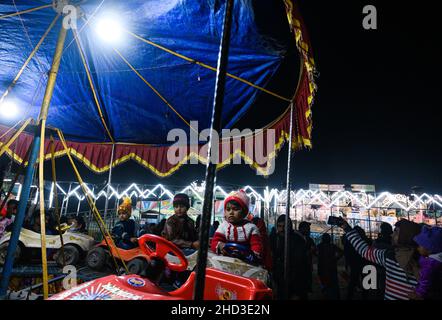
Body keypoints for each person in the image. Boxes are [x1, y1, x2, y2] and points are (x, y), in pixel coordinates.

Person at [339, 218, 422, 300]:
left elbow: (364, 250)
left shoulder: (390, 257)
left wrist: (347, 229)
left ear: (405, 236)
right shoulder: (424, 261)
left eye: (396, 232)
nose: (392, 235)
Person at [211, 190, 263, 261]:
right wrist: (220, 245)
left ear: (244, 212)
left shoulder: (251, 228)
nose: (231, 212)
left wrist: (253, 255)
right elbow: (215, 241)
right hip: (226, 260)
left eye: (235, 209)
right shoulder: (223, 226)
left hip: (246, 261)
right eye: (228, 209)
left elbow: (256, 245)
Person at [269, 214, 310, 300]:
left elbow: (301, 264)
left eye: (285, 226)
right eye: (280, 226)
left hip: (296, 277)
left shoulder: (297, 240)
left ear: (289, 226)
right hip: (279, 276)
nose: (282, 229)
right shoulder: (274, 238)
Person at [409, 226, 442, 300]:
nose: (417, 248)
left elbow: (424, 281)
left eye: (420, 246)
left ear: (429, 249)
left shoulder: (430, 265)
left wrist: (418, 293)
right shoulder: (436, 259)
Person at [317, 233, 343, 300]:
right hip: (331, 267)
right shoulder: (332, 246)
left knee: (324, 282)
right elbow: (341, 252)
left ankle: (326, 293)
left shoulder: (320, 246)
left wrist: (318, 257)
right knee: (333, 284)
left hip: (322, 267)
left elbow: (313, 251)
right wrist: (336, 259)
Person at [372, 222, 394, 298]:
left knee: (379, 287)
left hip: (379, 266)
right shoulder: (393, 242)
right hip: (389, 268)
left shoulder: (378, 241)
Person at [298, 221, 316, 293]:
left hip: (307, 265)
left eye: (309, 228)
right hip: (299, 267)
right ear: (302, 229)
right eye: (307, 228)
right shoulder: (296, 238)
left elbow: (314, 249)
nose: (309, 230)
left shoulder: (309, 239)